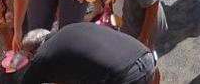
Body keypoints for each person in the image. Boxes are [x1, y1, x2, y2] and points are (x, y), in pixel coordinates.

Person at [19, 23, 159, 84]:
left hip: (126, 76)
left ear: (31, 55)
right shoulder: (70, 29)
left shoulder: (42, 56)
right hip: (147, 58)